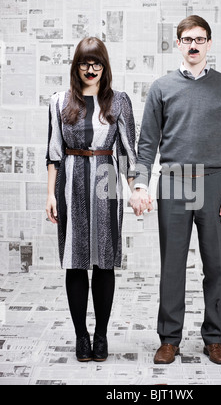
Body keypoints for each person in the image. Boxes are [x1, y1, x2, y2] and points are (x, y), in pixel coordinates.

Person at [130, 15, 221, 365]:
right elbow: (147, 142)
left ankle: (214, 338)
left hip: (214, 182)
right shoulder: (161, 87)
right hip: (175, 180)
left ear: (209, 43)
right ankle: (169, 339)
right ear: (178, 44)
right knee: (173, 264)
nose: (193, 45)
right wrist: (140, 183)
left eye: (200, 39)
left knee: (215, 265)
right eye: (187, 39)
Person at [46, 37, 136, 362]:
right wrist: (50, 196)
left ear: (104, 66)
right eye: (85, 63)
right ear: (77, 65)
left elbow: (127, 153)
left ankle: (101, 335)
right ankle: (80, 335)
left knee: (104, 260)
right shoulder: (60, 102)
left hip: (105, 181)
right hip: (70, 183)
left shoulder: (118, 101)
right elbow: (54, 153)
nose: (91, 69)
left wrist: (137, 189)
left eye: (97, 63)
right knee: (75, 260)